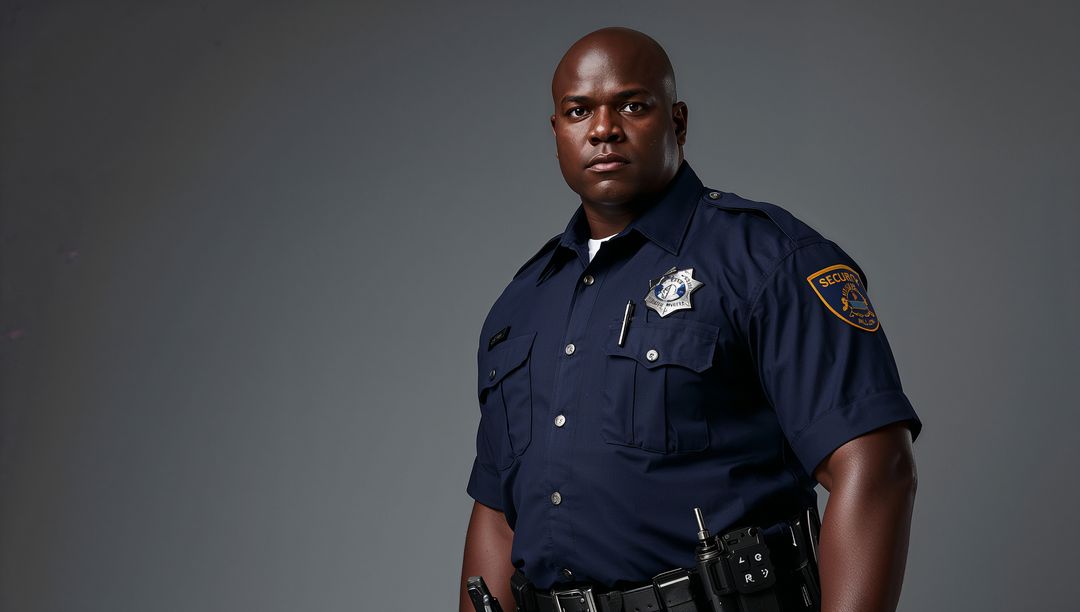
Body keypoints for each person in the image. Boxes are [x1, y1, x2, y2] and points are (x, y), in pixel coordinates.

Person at [459, 27, 921, 612]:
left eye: (632, 105)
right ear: (557, 133)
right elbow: (497, 519)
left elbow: (875, 467)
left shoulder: (768, 260)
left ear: (677, 122)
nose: (603, 129)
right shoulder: (522, 304)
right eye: (580, 111)